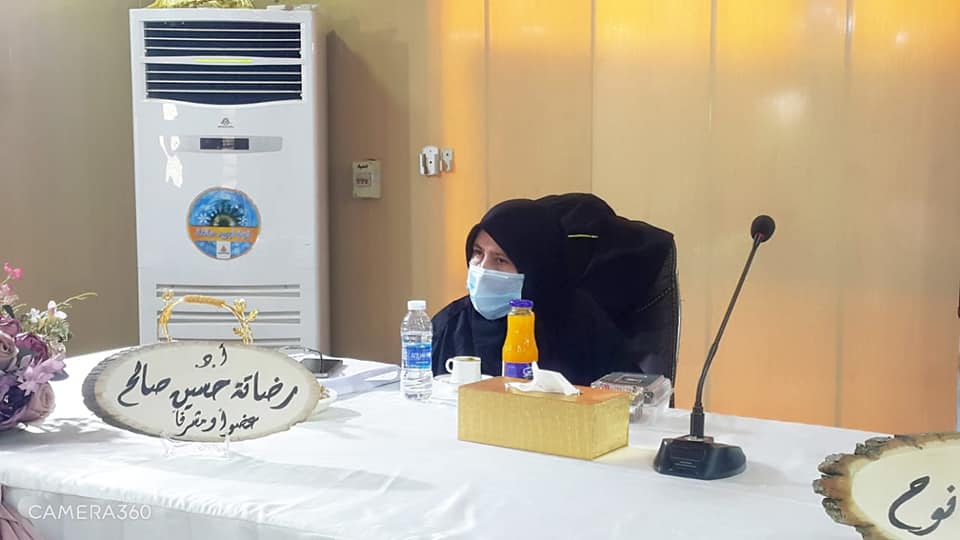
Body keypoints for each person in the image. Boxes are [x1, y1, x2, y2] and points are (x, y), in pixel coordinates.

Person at [431, 198, 633, 386]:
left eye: (500, 260)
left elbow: (628, 398)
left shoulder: (583, 324)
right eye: (478, 252)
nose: (483, 269)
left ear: (535, 269)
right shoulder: (450, 324)